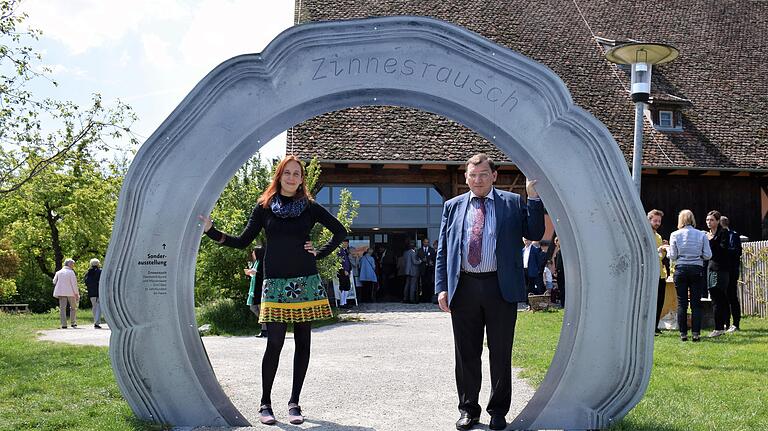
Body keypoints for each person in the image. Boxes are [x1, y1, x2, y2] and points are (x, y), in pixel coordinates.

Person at [199, 155, 346, 425]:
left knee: (303, 343)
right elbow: (243, 240)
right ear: (278, 175)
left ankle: (294, 403)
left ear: (302, 179)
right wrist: (211, 231)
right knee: (274, 343)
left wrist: (319, 252)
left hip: (306, 283)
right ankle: (265, 403)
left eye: (297, 174)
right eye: (287, 173)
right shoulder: (264, 207)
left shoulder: (310, 207)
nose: (292, 178)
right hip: (275, 283)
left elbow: (340, 231)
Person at [435, 153, 544, 430]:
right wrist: (442, 287)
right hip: (464, 288)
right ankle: (468, 409)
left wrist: (532, 197)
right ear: (466, 178)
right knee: (466, 354)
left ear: (494, 176)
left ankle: (498, 411)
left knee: (500, 353)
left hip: (500, 287)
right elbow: (444, 251)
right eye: (472, 175)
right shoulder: (452, 206)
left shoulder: (511, 202)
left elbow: (535, 230)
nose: (478, 180)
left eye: (483, 174)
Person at [667, 210, 712, 342]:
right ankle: (696, 334)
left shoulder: (674, 235)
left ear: (680, 220)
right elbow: (708, 255)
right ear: (692, 219)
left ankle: (683, 334)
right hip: (696, 269)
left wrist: (668, 250)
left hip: (681, 269)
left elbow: (673, 256)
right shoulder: (701, 235)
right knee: (695, 304)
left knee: (682, 303)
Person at [705, 210, 730, 338]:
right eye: (707, 220)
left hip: (721, 270)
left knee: (718, 299)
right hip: (710, 268)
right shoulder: (708, 234)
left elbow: (723, 251)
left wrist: (712, 240)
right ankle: (722, 326)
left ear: (717, 221)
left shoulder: (723, 233)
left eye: (712, 220)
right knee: (716, 298)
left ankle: (719, 328)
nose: (709, 222)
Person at [720, 216, 742, 332]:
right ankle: (726, 323)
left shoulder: (733, 235)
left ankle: (736, 324)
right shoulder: (718, 235)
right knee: (723, 297)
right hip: (721, 270)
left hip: (731, 271)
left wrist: (722, 250)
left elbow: (737, 251)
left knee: (732, 296)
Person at [647, 209, 668, 335]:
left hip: (660, 273)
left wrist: (664, 248)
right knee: (651, 301)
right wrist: (659, 250)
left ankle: (655, 327)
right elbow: (649, 255)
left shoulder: (658, 236)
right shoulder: (646, 235)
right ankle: (650, 328)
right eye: (655, 220)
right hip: (651, 274)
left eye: (659, 221)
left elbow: (660, 256)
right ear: (649, 220)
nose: (657, 223)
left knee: (660, 301)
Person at [245, 246, 268, 338]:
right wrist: (251, 273)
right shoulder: (256, 263)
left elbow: (263, 274)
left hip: (260, 289)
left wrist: (254, 273)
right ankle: (267, 325)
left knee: (260, 309)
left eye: (254, 252)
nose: (252, 254)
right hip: (255, 289)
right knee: (253, 308)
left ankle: (265, 330)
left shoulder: (263, 262)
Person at [53, 259, 80, 329]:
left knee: (62, 308)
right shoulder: (71, 272)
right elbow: (74, 284)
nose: (73, 266)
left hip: (61, 292)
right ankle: (73, 323)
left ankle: (64, 324)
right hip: (71, 292)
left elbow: (54, 281)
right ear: (69, 264)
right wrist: (76, 293)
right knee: (73, 308)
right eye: (73, 264)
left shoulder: (58, 272)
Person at [84, 258, 104, 328]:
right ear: (98, 264)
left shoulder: (88, 272)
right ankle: (96, 322)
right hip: (98, 291)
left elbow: (86, 282)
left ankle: (95, 320)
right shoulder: (100, 271)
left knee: (94, 307)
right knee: (98, 307)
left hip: (91, 292)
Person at [416, 237, 436, 303]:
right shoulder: (419, 250)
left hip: (429, 269)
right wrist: (421, 260)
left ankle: (429, 298)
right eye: (425, 242)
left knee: (429, 284)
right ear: (423, 242)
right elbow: (417, 259)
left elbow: (434, 259)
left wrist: (432, 262)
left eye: (427, 242)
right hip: (422, 270)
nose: (426, 243)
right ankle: (423, 298)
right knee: (423, 284)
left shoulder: (432, 250)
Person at [337, 239, 352, 308]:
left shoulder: (345, 251)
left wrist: (349, 270)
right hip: (342, 271)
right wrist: (345, 270)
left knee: (347, 286)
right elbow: (340, 262)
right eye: (345, 243)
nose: (346, 244)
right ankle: (342, 303)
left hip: (347, 271)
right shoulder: (340, 250)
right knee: (343, 286)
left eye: (347, 243)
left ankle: (345, 302)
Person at [552, 236, 565, 307]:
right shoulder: (560, 251)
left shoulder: (560, 252)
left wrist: (556, 271)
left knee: (562, 288)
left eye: (556, 241)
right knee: (562, 288)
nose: (555, 243)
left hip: (561, 273)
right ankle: (563, 303)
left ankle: (563, 303)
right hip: (561, 272)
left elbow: (559, 263)